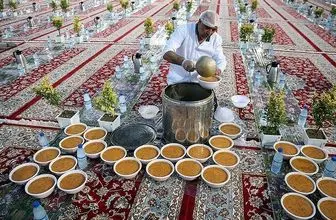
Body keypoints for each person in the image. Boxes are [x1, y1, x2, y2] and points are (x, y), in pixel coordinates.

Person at [163, 10, 227, 85]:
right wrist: (183, 62)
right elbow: (166, 52)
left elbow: (221, 60)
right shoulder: (183, 30)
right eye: (207, 27)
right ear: (199, 21)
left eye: (213, 29)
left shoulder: (216, 39)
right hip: (177, 80)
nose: (209, 33)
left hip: (200, 81)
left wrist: (219, 69)